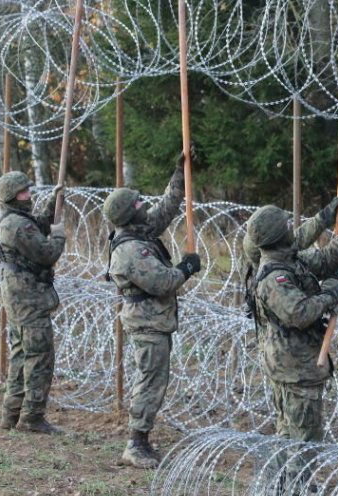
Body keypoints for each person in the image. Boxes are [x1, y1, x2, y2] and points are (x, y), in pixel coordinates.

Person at [247, 203, 338, 492]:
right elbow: (298, 313)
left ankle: (284, 485)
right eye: (288, 224)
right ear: (278, 235)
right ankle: (297, 487)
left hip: (293, 362)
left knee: (289, 432)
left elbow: (327, 260)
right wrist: (329, 295)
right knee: (304, 438)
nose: (293, 226)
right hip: (295, 367)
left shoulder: (290, 259)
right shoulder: (273, 276)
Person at [103, 152, 201, 469]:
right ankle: (136, 444)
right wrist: (186, 268)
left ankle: (141, 439)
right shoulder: (131, 249)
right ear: (129, 214)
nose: (143, 206)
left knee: (152, 381)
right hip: (146, 324)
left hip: (154, 321)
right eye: (138, 204)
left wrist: (180, 172)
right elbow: (162, 283)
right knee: (150, 383)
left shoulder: (139, 230)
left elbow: (167, 208)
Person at [0, 171, 65, 434]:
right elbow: (46, 253)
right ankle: (32, 417)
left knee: (21, 354)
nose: (29, 195)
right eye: (24, 192)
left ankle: (11, 413)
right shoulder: (16, 225)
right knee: (39, 356)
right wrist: (58, 235)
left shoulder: (12, 219)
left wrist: (53, 203)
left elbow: (37, 225)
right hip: (29, 298)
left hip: (19, 297)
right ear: (13, 196)